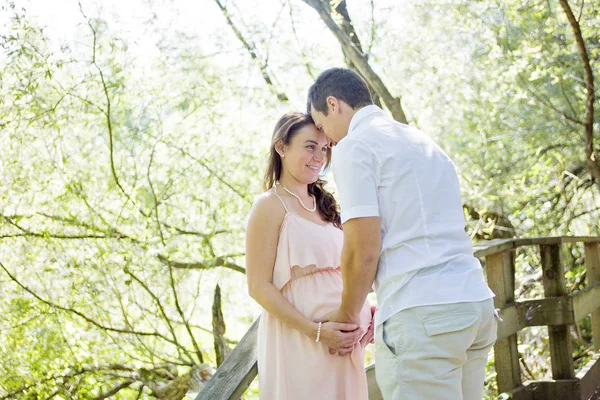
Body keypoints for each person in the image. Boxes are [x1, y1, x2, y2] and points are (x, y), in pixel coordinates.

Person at [308, 68, 498, 400]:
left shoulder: (355, 147)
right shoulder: (423, 142)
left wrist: (347, 317)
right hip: (474, 305)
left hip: (425, 315)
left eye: (323, 127)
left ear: (333, 104)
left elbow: (363, 248)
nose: (328, 141)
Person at [245, 112, 375, 400]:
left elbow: (349, 267)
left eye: (324, 148)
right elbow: (258, 286)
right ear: (281, 147)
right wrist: (316, 331)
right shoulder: (269, 206)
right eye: (309, 146)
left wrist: (367, 309)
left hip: (344, 343)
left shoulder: (326, 205)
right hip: (300, 341)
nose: (319, 156)